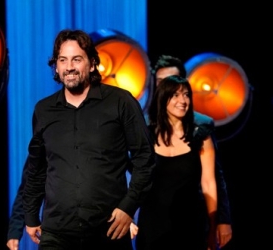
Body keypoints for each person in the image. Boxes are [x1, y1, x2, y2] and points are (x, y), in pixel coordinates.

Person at [21, 29, 156, 250]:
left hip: (109, 229)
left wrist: (128, 207)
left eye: (77, 59)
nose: (69, 67)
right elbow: (37, 168)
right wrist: (30, 215)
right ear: (56, 66)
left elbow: (145, 158)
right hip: (56, 232)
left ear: (92, 63)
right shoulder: (44, 109)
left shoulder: (120, 102)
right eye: (62, 60)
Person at [151, 55, 233, 248]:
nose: (169, 88)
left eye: (182, 91)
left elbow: (213, 178)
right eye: (162, 83)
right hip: (154, 220)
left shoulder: (202, 127)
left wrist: (221, 220)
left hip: (192, 218)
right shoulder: (145, 125)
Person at [135, 75, 218, 249]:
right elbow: (136, 180)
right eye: (176, 95)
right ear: (163, 98)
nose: (183, 100)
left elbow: (209, 183)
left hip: (190, 225)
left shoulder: (201, 138)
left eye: (186, 95)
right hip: (153, 225)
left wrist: (213, 226)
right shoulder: (147, 136)